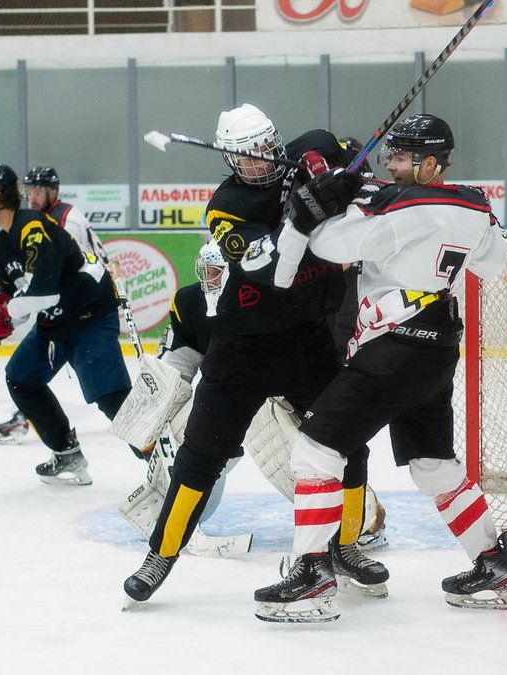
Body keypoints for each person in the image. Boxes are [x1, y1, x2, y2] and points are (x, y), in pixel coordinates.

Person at [252, 113, 507, 622]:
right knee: (433, 464)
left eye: (400, 158)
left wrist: (316, 207)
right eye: (390, 156)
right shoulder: (475, 204)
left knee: (315, 449)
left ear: (431, 163)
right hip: (437, 347)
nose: (390, 166)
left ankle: (310, 572)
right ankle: (491, 561)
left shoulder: (399, 205)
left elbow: (331, 246)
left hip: (392, 349)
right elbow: (495, 262)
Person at [122, 105, 387, 605]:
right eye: (248, 157)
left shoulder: (307, 150)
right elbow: (267, 263)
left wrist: (341, 172)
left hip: (307, 342)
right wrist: (304, 211)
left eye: (267, 149)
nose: (261, 163)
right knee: (200, 457)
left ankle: (346, 546)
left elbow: (356, 162)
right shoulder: (227, 204)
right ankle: (161, 554)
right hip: (242, 351)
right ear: (230, 160)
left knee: (348, 443)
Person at [115, 241, 388, 555]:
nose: (212, 281)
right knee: (186, 431)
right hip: (229, 396)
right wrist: (148, 417)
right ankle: (178, 516)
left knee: (301, 457)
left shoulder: (274, 295)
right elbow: (176, 364)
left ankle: (365, 519)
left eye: (219, 273)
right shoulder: (190, 302)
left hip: (285, 397)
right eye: (208, 272)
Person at [0, 163, 131, 485]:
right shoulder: (3, 245)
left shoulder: (33, 227)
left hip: (88, 316)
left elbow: (44, 291)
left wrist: (3, 323)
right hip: (56, 323)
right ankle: (66, 453)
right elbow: (6, 301)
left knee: (111, 398)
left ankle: (164, 459)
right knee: (21, 377)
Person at [0, 166, 113, 446]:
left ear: (53, 191)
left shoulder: (65, 218)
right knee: (24, 374)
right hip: (63, 307)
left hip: (86, 307)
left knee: (108, 394)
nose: (33, 197)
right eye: (29, 191)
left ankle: (152, 442)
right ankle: (30, 417)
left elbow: (68, 271)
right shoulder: (33, 221)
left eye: (39, 191)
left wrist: (20, 306)